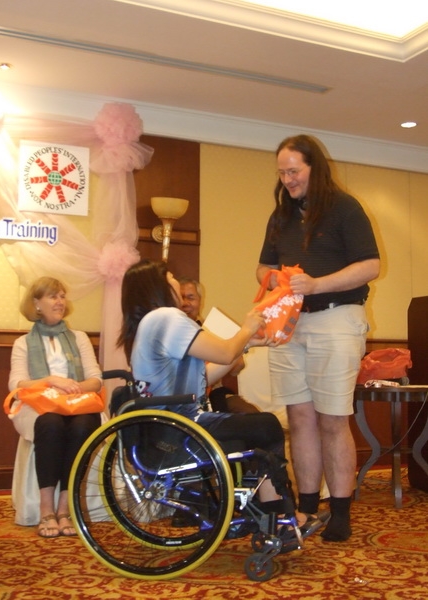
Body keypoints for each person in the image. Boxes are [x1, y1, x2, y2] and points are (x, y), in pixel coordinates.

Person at [118, 259, 326, 538]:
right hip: (178, 429)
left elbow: (210, 371)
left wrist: (248, 343)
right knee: (265, 426)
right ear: (156, 286)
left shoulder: (153, 322)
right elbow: (226, 352)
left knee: (250, 434)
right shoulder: (166, 317)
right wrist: (247, 328)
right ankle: (278, 515)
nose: (176, 282)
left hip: (166, 430)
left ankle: (272, 516)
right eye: (170, 276)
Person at [256, 134, 380, 542]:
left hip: (336, 319)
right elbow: (262, 269)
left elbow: (370, 266)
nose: (287, 180)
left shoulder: (345, 208)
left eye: (294, 171)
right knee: (299, 418)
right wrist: (277, 280)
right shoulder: (280, 215)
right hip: (290, 325)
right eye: (282, 172)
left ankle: (340, 510)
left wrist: (316, 284)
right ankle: (307, 508)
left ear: (315, 169)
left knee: (332, 418)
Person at [8, 277, 103, 538]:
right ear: (36, 304)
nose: (60, 301)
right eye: (52, 296)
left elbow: (96, 379)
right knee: (50, 424)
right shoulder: (23, 343)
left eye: (62, 295)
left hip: (77, 403)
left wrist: (74, 387)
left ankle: (65, 508)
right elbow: (16, 384)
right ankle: (46, 509)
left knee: (84, 426)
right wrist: (50, 382)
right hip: (39, 406)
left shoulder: (79, 338)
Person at [179, 276, 258, 414]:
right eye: (181, 298)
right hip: (186, 397)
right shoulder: (173, 332)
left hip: (215, 392)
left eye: (190, 298)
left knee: (254, 416)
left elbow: (237, 366)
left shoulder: (212, 330)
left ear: (200, 302)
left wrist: (235, 353)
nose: (185, 303)